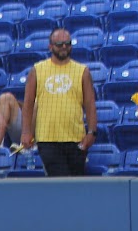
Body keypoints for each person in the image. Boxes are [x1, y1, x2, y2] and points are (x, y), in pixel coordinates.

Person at [20, 29, 98, 177]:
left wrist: (92, 133)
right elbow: (28, 103)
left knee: (75, 185)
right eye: (59, 44)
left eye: (67, 44)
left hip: (76, 138)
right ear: (50, 46)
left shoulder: (83, 71)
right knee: (59, 181)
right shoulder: (37, 70)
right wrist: (26, 131)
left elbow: (90, 105)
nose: (64, 47)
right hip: (47, 139)